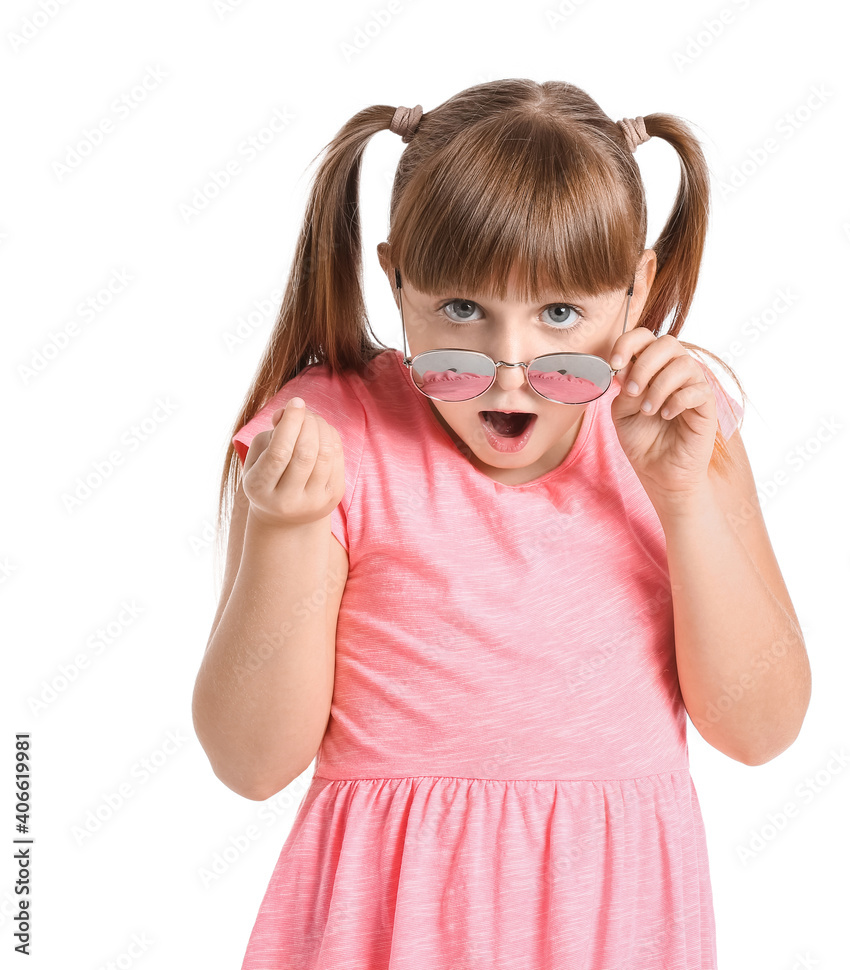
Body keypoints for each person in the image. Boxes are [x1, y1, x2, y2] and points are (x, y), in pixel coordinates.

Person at [192, 78, 811, 970]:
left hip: (613, 929)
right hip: (386, 932)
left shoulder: (683, 428)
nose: (508, 368)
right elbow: (250, 763)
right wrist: (288, 533)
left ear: (636, 288)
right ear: (396, 276)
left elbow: (762, 727)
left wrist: (683, 499)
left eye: (560, 314)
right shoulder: (329, 437)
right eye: (461, 312)